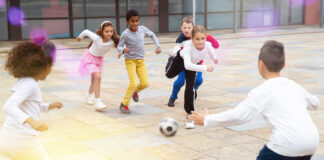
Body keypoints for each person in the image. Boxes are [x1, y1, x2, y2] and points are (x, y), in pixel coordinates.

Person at [190, 40, 320, 160]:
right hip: (311, 142)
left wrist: (207, 120)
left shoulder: (262, 91)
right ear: (284, 65)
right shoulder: (293, 85)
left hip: (286, 145)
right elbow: (315, 103)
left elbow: (239, 116)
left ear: (260, 64)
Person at [0, 40, 63, 160]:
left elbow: (29, 106)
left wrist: (49, 106)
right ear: (46, 67)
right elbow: (8, 106)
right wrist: (32, 121)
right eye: (51, 66)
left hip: (6, 138)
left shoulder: (24, 81)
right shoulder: (30, 84)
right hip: (23, 141)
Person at [165, 25, 218, 129]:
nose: (200, 42)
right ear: (192, 39)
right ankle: (171, 58)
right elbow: (187, 65)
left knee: (190, 90)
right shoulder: (188, 46)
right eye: (197, 39)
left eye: (202, 38)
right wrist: (205, 67)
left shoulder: (207, 45)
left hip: (193, 65)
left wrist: (215, 59)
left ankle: (190, 116)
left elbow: (212, 52)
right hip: (181, 61)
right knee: (169, 75)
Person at [167, 16, 219, 107]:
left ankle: (194, 89)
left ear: (193, 28)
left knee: (198, 80)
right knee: (179, 82)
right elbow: (179, 49)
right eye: (185, 28)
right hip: (184, 64)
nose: (187, 30)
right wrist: (174, 51)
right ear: (181, 28)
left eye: (189, 28)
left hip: (196, 63)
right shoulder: (181, 39)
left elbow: (210, 41)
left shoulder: (199, 35)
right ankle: (173, 97)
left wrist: (213, 43)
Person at [117, 9, 161, 114]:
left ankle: (135, 92)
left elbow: (152, 35)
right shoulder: (125, 34)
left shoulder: (142, 29)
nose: (135, 23)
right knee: (133, 83)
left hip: (141, 61)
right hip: (130, 61)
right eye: (133, 21)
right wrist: (123, 50)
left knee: (145, 83)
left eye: (137, 21)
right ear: (127, 22)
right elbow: (118, 46)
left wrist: (158, 46)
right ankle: (124, 104)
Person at [77, 21, 120, 111]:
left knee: (94, 81)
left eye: (111, 31)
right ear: (102, 32)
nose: (109, 33)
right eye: (106, 31)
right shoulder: (97, 38)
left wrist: (122, 51)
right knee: (98, 77)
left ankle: (89, 96)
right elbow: (86, 31)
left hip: (99, 60)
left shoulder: (113, 41)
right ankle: (98, 102)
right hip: (89, 58)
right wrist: (79, 37)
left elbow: (121, 45)